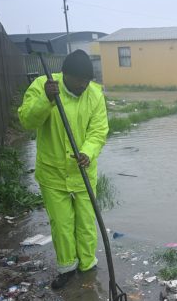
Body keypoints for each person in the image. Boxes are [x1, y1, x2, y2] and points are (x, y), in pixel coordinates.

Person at [18, 50, 109, 289]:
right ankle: (67, 268)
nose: (82, 86)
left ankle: (87, 266)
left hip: (83, 171)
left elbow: (99, 130)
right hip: (52, 172)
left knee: (87, 223)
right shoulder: (44, 86)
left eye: (86, 82)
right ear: (65, 75)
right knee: (62, 223)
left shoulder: (95, 95)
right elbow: (27, 121)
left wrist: (87, 152)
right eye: (78, 81)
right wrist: (45, 101)